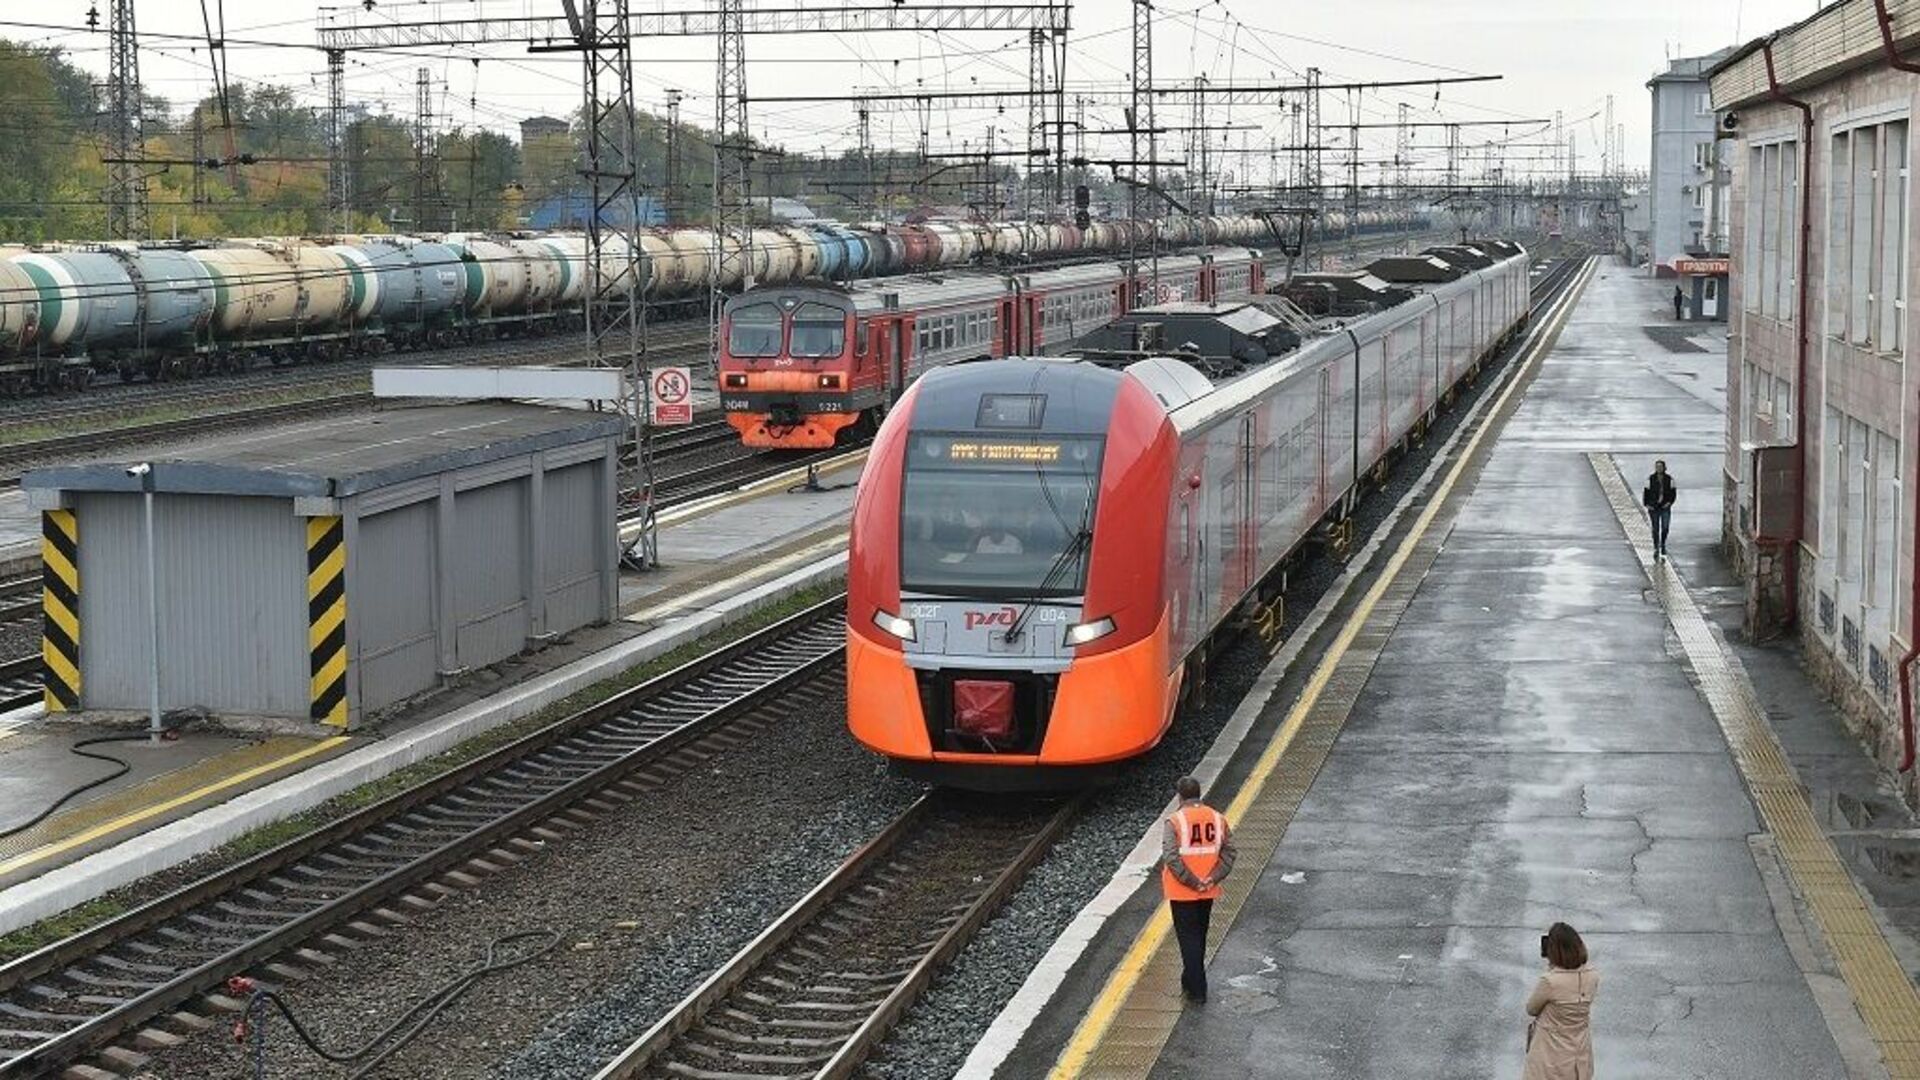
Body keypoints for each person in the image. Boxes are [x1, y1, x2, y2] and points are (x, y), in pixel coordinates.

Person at [1160, 776, 1236, 1005]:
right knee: (1199, 936)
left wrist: (1192, 882)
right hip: (1207, 891)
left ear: (1179, 796)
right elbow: (1230, 853)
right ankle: (1189, 978)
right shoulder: (1217, 818)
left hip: (1182, 892)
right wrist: (1212, 878)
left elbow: (1172, 858)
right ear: (1199, 794)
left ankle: (1198, 990)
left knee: (1188, 939)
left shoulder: (1174, 822)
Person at [1524, 922, 1599, 1080]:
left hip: (1549, 1053)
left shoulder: (1550, 981)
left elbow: (1531, 1009)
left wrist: (1552, 968)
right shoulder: (1593, 975)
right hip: (1579, 1052)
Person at [1642, 460, 1676, 559]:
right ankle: (1656, 546)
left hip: (1665, 507)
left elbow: (1673, 493)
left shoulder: (1669, 479)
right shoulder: (1650, 479)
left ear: (1664, 468)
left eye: (1660, 466)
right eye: (1657, 467)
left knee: (1665, 527)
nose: (1659, 468)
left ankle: (1663, 543)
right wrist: (1647, 504)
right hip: (1654, 507)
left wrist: (1669, 503)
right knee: (1655, 528)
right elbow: (1646, 492)